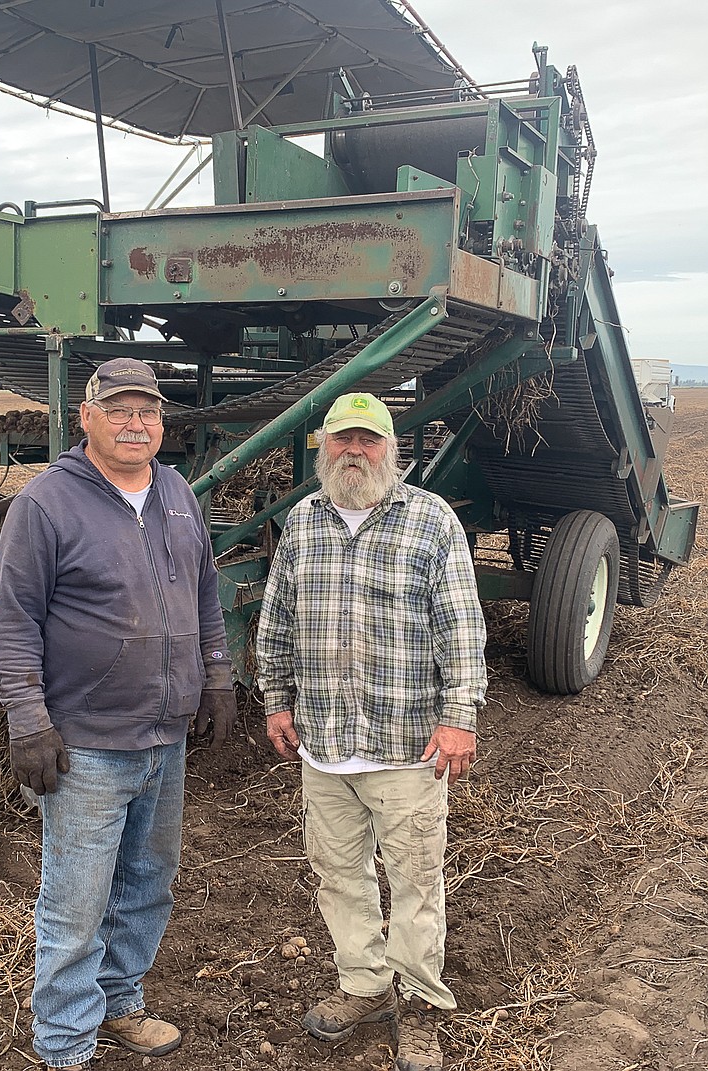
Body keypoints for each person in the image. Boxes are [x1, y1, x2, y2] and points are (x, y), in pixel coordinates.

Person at [0, 356, 238, 1071]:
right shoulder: (46, 503)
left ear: (162, 424)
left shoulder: (179, 494)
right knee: (75, 902)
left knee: (147, 884)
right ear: (86, 417)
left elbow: (205, 598)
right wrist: (28, 720)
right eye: (120, 409)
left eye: (148, 411)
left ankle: (120, 1001)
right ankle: (65, 1045)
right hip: (88, 744)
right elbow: (11, 624)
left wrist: (217, 678)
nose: (136, 423)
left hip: (165, 737)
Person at [255, 391, 487, 1071]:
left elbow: (462, 629)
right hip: (324, 746)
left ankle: (419, 1004)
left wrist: (457, 718)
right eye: (342, 440)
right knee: (337, 874)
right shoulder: (302, 522)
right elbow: (278, 620)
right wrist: (276, 698)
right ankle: (364, 984)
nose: (354, 452)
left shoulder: (430, 522)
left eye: (369, 440)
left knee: (415, 880)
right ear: (322, 448)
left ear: (393, 450)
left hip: (407, 745)